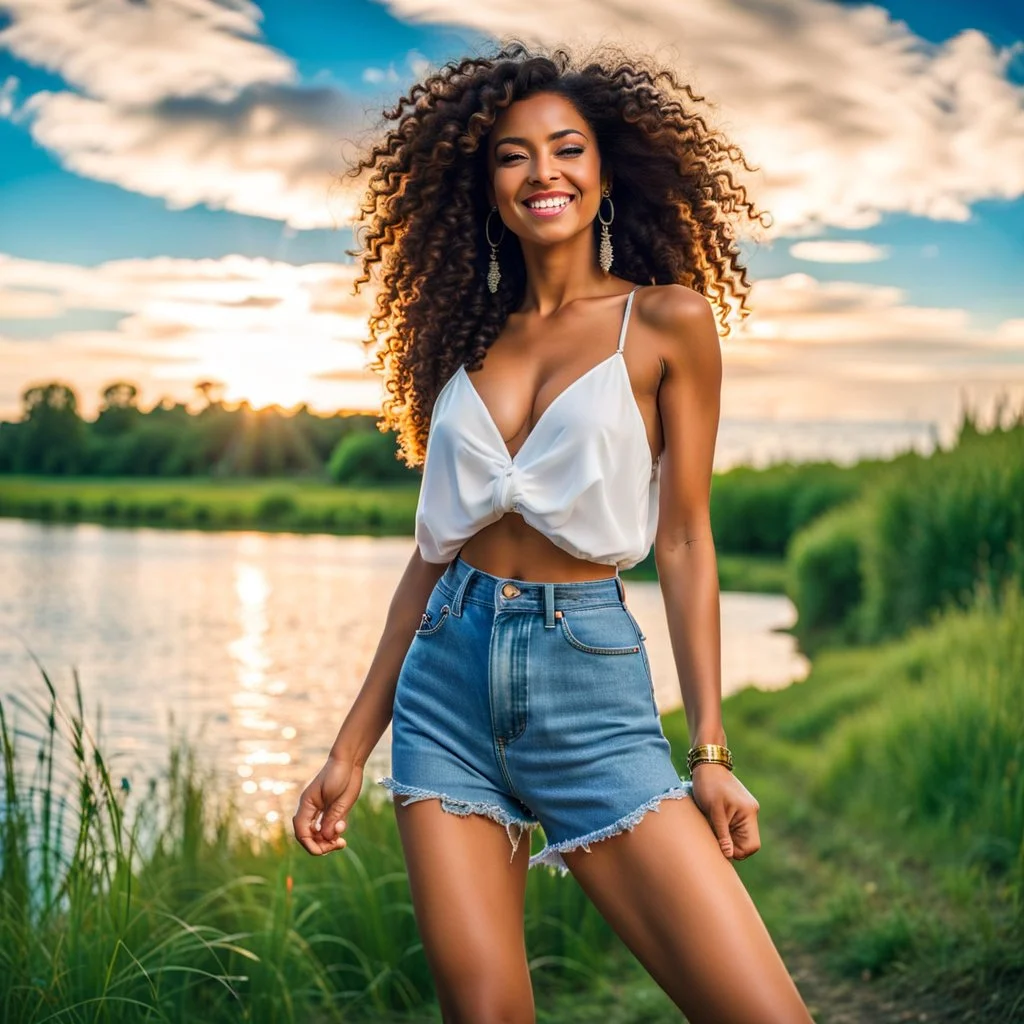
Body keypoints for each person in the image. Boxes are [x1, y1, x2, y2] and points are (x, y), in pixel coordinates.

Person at [293, 40, 814, 1024]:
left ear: (606, 168)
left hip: (587, 674)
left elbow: (687, 540)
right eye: (511, 154)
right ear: (482, 183)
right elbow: (430, 556)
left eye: (566, 148)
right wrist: (350, 746)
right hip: (444, 686)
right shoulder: (458, 337)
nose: (543, 173)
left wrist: (708, 750)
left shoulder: (665, 323)